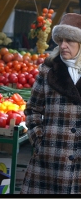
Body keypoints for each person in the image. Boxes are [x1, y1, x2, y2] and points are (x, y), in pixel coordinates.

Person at [20, 13, 81, 194]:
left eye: (69, 40)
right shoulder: (48, 71)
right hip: (50, 158)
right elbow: (32, 109)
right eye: (60, 40)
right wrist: (39, 141)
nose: (63, 45)